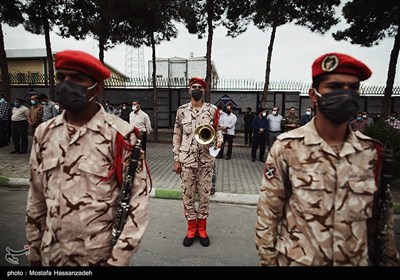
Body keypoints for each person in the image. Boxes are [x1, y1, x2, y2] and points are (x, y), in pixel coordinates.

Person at [255, 52, 400, 266]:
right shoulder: (287, 148)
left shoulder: (371, 152)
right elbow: (268, 214)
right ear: (313, 95)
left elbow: (383, 225)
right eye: (335, 87)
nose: (346, 94)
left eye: (353, 88)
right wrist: (268, 262)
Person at [26, 50, 150, 266]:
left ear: (98, 88)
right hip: (51, 256)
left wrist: (118, 260)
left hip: (99, 258)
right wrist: (34, 253)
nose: (66, 84)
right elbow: (36, 198)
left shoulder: (121, 135)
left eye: (78, 78)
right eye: (61, 77)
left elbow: (136, 203)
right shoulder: (44, 133)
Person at [172, 77, 223, 247]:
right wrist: (176, 159)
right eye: (194, 87)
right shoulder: (181, 111)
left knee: (204, 196)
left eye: (200, 87)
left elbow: (218, 130)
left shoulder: (213, 110)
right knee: (187, 196)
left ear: (204, 91)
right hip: (186, 161)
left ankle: (202, 229)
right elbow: (177, 135)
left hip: (206, 161)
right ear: (189, 90)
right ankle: (191, 229)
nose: (197, 89)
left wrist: (219, 141)